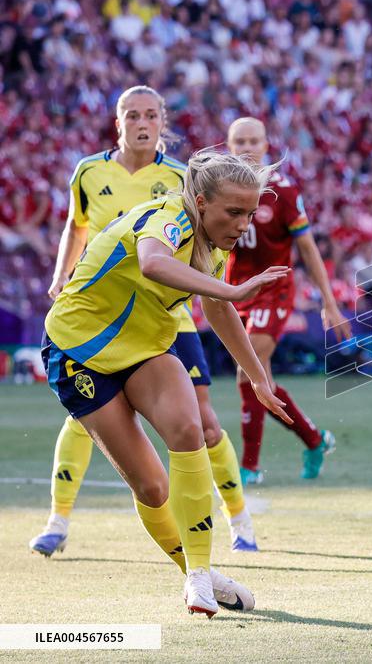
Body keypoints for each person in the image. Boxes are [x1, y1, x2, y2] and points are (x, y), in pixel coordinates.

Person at [43, 150, 289, 616]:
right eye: (233, 212)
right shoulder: (169, 215)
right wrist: (235, 289)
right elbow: (154, 262)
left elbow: (218, 310)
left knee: (189, 427)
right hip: (77, 351)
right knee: (153, 489)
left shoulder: (214, 247)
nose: (242, 224)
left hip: (146, 348)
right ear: (200, 201)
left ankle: (199, 576)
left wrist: (258, 379)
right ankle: (196, 573)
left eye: (250, 213)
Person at [31, 86, 258, 557]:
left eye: (151, 115)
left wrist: (258, 374)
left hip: (169, 316)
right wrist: (60, 277)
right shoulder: (89, 172)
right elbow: (77, 227)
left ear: (162, 124)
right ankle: (58, 519)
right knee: (87, 423)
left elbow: (198, 266)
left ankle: (239, 522)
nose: (141, 122)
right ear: (118, 122)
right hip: (100, 316)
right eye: (132, 114)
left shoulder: (185, 181)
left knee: (203, 424)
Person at [225, 117, 352, 483]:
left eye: (254, 141)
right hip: (236, 292)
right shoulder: (220, 190)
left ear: (267, 146)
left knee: (247, 371)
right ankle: (314, 440)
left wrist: (329, 301)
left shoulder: (283, 192)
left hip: (275, 292)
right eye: (240, 142)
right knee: (260, 378)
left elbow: (309, 250)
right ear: (229, 147)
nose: (247, 148)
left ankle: (249, 467)